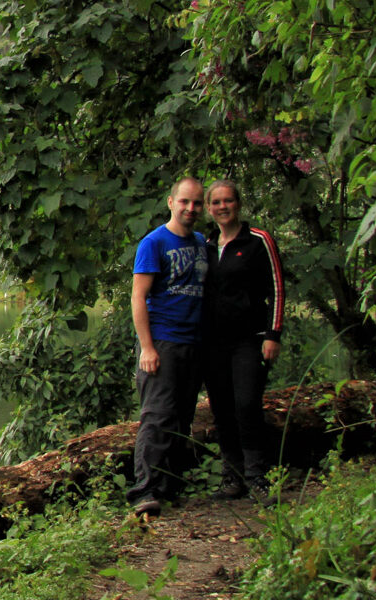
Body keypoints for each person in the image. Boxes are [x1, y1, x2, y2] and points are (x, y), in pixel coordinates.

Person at [201, 180, 287, 505]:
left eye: (228, 201)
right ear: (209, 209)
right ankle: (232, 478)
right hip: (213, 343)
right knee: (222, 409)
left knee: (247, 404)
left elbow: (277, 288)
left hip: (250, 340)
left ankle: (258, 478)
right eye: (216, 202)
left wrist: (273, 334)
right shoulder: (206, 245)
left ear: (238, 203)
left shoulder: (258, 241)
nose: (223, 207)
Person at [128, 177, 209, 516]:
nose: (191, 208)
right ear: (171, 202)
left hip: (194, 342)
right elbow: (138, 296)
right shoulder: (154, 242)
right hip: (162, 341)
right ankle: (144, 492)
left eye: (197, 203)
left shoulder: (203, 242)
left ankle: (169, 487)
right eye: (185, 202)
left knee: (182, 419)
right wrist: (147, 347)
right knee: (157, 417)